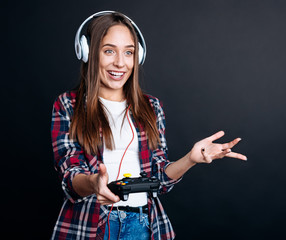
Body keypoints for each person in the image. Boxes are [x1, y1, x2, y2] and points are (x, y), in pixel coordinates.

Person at [51, 11, 247, 240]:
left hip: (143, 225)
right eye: (108, 51)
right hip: (90, 224)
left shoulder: (151, 107)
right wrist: (94, 183)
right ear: (87, 52)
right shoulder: (68, 104)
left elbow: (159, 179)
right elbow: (70, 173)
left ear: (138, 56)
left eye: (128, 52)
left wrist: (191, 159)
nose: (120, 62)